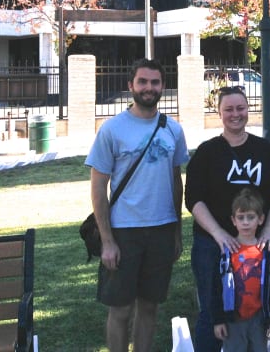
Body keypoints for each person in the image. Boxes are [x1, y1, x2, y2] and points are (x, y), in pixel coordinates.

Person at [85, 58, 188, 352]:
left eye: (155, 82)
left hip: (161, 229)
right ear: (130, 85)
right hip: (123, 232)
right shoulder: (112, 130)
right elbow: (98, 188)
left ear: (163, 87)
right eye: (142, 81)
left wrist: (177, 233)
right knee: (120, 310)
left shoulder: (173, 130)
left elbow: (176, 182)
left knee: (150, 307)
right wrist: (107, 241)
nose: (149, 88)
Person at [185, 85, 270, 352]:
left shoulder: (264, 150)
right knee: (212, 310)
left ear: (248, 109)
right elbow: (193, 198)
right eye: (228, 109)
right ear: (219, 112)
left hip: (257, 247)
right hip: (212, 244)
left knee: (254, 308)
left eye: (240, 108)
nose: (235, 114)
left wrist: (269, 231)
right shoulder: (207, 152)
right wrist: (219, 233)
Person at [213, 188, 270, 352]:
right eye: (241, 218)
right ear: (233, 220)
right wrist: (218, 320)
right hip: (233, 318)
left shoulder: (266, 252)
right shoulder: (226, 252)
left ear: (261, 219)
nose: (246, 222)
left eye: (251, 217)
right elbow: (216, 288)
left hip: (259, 317)